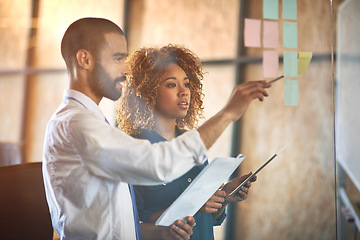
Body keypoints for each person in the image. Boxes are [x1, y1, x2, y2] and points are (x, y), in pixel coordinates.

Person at [42, 17, 271, 239]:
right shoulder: (76, 124)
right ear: (85, 59)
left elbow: (123, 222)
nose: (126, 70)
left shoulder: (91, 121)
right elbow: (158, 165)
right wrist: (227, 114)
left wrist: (163, 232)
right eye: (118, 58)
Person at [116, 45, 257, 240]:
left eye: (187, 84)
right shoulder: (134, 148)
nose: (184, 92)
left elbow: (210, 217)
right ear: (147, 92)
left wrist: (223, 197)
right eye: (172, 85)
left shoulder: (194, 142)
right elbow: (131, 223)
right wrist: (195, 204)